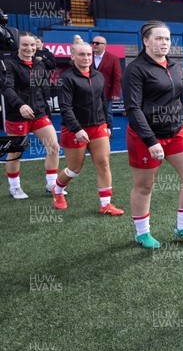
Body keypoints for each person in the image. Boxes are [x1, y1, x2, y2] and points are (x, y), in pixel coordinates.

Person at [122, 21, 183, 249]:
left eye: (167, 39)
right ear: (146, 41)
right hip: (146, 136)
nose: (164, 43)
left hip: (176, 131)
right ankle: (142, 233)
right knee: (144, 186)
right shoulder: (135, 69)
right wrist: (150, 140)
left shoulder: (175, 66)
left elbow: (179, 99)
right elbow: (133, 109)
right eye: (158, 38)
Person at [52, 41, 124, 215]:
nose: (85, 58)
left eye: (89, 55)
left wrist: (107, 124)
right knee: (74, 169)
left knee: (104, 164)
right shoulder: (66, 79)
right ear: (73, 56)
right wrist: (77, 129)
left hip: (98, 126)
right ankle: (57, 190)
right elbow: (65, 108)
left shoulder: (99, 76)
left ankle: (105, 205)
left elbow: (102, 102)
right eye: (81, 54)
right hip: (74, 129)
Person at [1, 32, 60, 199]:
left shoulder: (39, 65)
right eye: (25, 45)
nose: (29, 48)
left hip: (39, 113)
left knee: (53, 147)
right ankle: (14, 187)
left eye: (32, 45)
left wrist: (46, 110)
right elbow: (7, 88)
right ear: (18, 46)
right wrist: (20, 105)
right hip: (17, 115)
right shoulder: (9, 64)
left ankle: (51, 184)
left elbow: (42, 89)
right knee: (16, 152)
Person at [91, 36, 122, 133]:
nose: (94, 45)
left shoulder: (113, 59)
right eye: (93, 43)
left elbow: (117, 77)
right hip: (88, 90)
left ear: (104, 45)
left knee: (107, 113)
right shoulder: (88, 56)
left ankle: (108, 133)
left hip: (106, 92)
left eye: (97, 43)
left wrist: (116, 92)